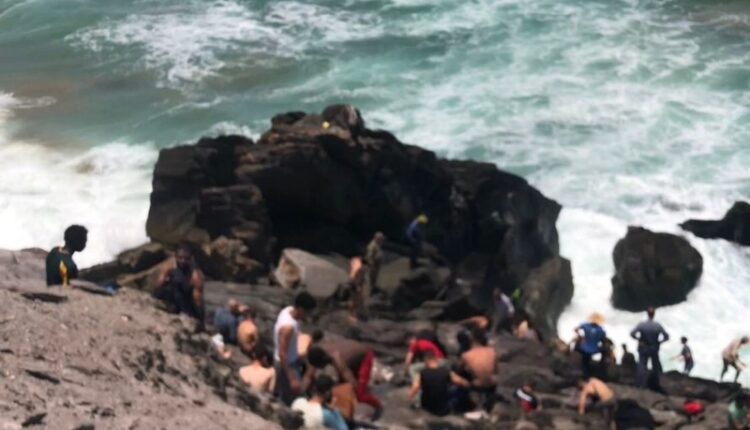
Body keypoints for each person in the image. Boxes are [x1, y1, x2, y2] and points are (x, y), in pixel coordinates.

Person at [307, 333, 383, 421]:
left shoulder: (337, 359)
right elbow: (308, 376)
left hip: (365, 356)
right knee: (340, 386)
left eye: (320, 366)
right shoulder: (318, 351)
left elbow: (352, 383)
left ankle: (378, 405)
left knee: (360, 394)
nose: (321, 368)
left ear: (323, 360)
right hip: (351, 357)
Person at [274, 291, 317, 405]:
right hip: (286, 365)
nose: (309, 315)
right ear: (301, 309)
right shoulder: (288, 327)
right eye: (308, 312)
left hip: (293, 360)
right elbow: (282, 352)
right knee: (290, 399)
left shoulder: (287, 310)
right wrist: (291, 378)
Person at [153, 245, 205, 327]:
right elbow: (159, 283)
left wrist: (200, 318)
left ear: (190, 259)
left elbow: (198, 300)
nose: (183, 261)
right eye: (180, 258)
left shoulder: (195, 276)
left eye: (186, 258)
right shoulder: (169, 267)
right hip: (172, 294)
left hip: (185, 299)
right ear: (176, 257)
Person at [408, 350, 470, 417]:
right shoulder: (446, 372)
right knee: (460, 390)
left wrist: (410, 397)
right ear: (436, 360)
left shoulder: (421, 373)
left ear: (426, 361)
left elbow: (415, 388)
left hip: (427, 407)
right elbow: (463, 383)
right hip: (443, 409)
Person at [630, 307, 669, 389]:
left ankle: (640, 384)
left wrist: (638, 339)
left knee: (642, 366)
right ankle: (655, 384)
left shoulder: (642, 324)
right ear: (654, 314)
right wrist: (659, 342)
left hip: (643, 347)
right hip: (654, 348)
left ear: (647, 314)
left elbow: (632, 333)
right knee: (655, 366)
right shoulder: (657, 325)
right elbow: (666, 337)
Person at [461, 327, 497, 412]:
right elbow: (496, 369)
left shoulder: (466, 355)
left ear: (472, 339)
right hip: (492, 383)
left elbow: (460, 370)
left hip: (478, 384)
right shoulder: (492, 351)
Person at [574, 313, 607, 378]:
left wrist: (581, 337)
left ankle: (584, 373)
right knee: (588, 360)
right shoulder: (601, 330)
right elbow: (603, 340)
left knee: (584, 361)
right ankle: (598, 369)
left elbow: (575, 329)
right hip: (595, 349)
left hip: (583, 348)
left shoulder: (585, 325)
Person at [348, 257, 369, 322]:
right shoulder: (362, 270)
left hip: (358, 288)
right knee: (357, 301)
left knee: (357, 301)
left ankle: (356, 315)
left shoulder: (361, 270)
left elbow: (358, 279)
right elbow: (358, 279)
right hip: (358, 288)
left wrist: (357, 285)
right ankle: (356, 315)